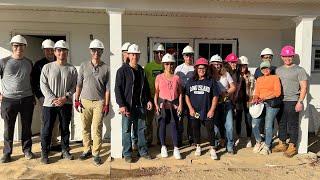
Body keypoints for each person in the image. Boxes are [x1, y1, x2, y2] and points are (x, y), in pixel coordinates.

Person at [40, 40, 78, 164]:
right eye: (59, 50)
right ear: (55, 52)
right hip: (49, 104)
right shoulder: (47, 67)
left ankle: (65, 150)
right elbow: (43, 85)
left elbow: (74, 86)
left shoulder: (72, 69)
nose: (62, 53)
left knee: (65, 129)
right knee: (47, 129)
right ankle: (45, 153)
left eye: (64, 50)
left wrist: (65, 98)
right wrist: (53, 99)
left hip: (65, 104)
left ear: (67, 52)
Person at [115, 44, 153, 163]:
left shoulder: (141, 71)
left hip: (140, 106)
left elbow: (146, 88)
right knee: (126, 130)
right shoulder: (122, 71)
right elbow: (118, 89)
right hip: (127, 107)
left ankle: (142, 151)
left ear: (139, 55)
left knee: (141, 129)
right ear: (128, 55)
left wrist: (148, 100)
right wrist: (121, 105)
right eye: (132, 54)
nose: (134, 57)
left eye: (137, 54)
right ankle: (127, 154)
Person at [74, 39, 110, 166]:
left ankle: (96, 154)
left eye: (99, 50)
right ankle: (86, 150)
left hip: (99, 102)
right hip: (84, 101)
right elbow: (78, 84)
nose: (96, 52)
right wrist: (76, 100)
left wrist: (106, 104)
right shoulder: (83, 66)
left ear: (102, 52)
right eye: (94, 50)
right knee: (85, 127)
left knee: (97, 128)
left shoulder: (106, 68)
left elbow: (107, 89)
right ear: (90, 51)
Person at [0, 35, 35, 163]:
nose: (18, 48)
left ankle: (27, 150)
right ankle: (7, 153)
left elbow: (31, 80)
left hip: (27, 99)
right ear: (12, 47)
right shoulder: (3, 62)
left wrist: (33, 97)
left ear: (25, 47)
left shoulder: (29, 62)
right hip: (8, 101)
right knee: (8, 128)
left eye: (21, 45)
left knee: (27, 127)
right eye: (16, 45)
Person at [273, 45, 308, 158]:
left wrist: (300, 101)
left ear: (292, 56)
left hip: (293, 101)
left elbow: (304, 87)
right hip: (280, 100)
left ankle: (292, 146)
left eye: (289, 56)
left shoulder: (299, 70)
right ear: (282, 57)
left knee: (293, 124)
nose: (287, 58)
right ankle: (282, 143)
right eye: (285, 56)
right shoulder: (278, 70)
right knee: (281, 123)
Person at [185, 58, 219, 160]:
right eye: (199, 68)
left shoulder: (211, 81)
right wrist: (190, 109)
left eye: (203, 68)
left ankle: (212, 148)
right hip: (194, 111)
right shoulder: (191, 80)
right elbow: (186, 95)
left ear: (207, 69)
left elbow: (215, 96)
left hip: (207, 110)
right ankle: (198, 146)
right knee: (195, 129)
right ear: (196, 69)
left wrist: (212, 110)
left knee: (210, 129)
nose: (201, 70)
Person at [31, 39, 61, 152]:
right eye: (46, 50)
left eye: (51, 50)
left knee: (56, 121)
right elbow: (34, 82)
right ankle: (46, 144)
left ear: (54, 51)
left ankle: (54, 142)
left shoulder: (59, 62)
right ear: (43, 51)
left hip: (57, 98)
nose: (49, 52)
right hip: (44, 98)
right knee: (46, 121)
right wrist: (39, 97)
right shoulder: (38, 65)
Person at [154, 53, 182, 159]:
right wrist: (156, 104)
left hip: (174, 106)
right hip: (162, 105)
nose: (169, 66)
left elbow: (180, 93)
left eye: (171, 64)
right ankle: (163, 147)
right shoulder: (159, 77)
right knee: (162, 126)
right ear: (163, 65)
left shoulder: (177, 78)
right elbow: (156, 93)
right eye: (167, 64)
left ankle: (176, 148)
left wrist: (180, 105)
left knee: (174, 126)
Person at [251, 61, 281, 155]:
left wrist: (264, 98)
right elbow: (256, 93)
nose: (265, 70)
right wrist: (255, 98)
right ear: (261, 70)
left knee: (268, 125)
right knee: (254, 124)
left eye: (267, 68)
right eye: (263, 68)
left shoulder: (275, 77)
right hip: (261, 103)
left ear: (270, 68)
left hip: (271, 104)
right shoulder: (259, 79)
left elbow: (277, 93)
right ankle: (259, 141)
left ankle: (267, 145)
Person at [210, 54, 236, 154]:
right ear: (211, 65)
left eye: (218, 64)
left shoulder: (226, 74)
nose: (216, 66)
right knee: (215, 127)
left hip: (226, 103)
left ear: (221, 65)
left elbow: (233, 87)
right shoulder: (209, 76)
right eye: (214, 64)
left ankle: (230, 145)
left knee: (229, 126)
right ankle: (215, 143)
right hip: (214, 104)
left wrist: (226, 93)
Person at [144, 43, 165, 146]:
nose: (159, 54)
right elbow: (144, 83)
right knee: (148, 121)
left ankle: (161, 141)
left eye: (161, 52)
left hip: (162, 98)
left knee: (161, 120)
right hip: (151, 98)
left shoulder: (166, 65)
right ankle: (148, 141)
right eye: (157, 52)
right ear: (154, 54)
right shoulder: (148, 66)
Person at [174, 45, 195, 146]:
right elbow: (175, 84)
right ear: (183, 56)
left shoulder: (195, 68)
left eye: (190, 55)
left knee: (191, 120)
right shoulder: (178, 68)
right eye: (187, 55)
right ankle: (179, 140)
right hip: (180, 99)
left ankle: (191, 139)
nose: (189, 57)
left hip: (192, 99)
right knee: (179, 119)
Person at [234, 56, 252, 148]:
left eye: (244, 66)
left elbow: (253, 87)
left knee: (248, 120)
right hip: (238, 101)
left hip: (248, 101)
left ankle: (249, 138)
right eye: (241, 66)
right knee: (238, 120)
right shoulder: (235, 75)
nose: (242, 67)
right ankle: (238, 137)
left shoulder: (250, 75)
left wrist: (246, 79)